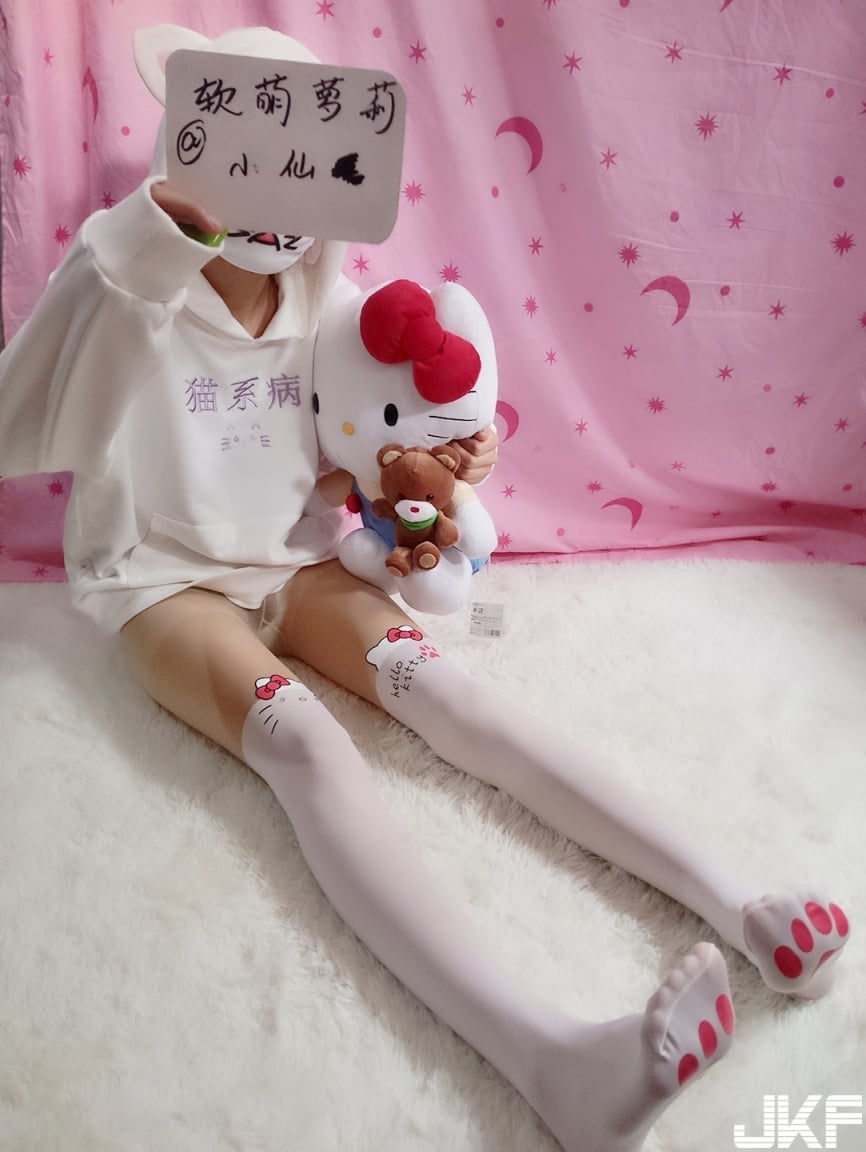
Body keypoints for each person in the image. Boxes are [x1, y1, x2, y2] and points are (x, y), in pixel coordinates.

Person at [0, 25, 850, 1152]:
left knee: (447, 692)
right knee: (305, 745)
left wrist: (448, 457)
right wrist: (156, 231)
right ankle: (550, 1060)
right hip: (167, 587)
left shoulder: (325, 292)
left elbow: (387, 424)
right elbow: (23, 417)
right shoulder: (125, 279)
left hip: (304, 564)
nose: (276, 203)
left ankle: (740, 901)